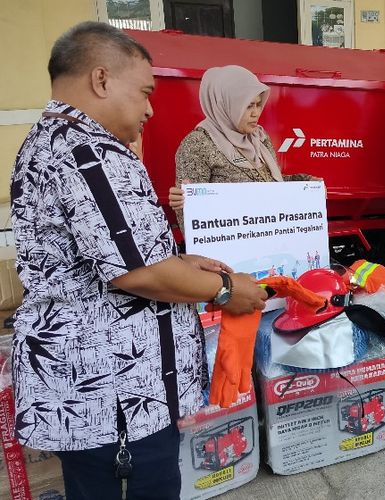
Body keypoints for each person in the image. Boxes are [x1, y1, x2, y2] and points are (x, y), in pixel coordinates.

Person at [10, 22, 268, 499]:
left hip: (101, 400)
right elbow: (138, 272)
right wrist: (228, 292)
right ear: (101, 80)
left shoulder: (55, 140)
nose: (151, 108)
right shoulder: (87, 151)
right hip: (114, 400)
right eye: (146, 92)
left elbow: (112, 255)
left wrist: (183, 261)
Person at [167, 65, 319, 232]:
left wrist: (306, 183)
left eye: (258, 104)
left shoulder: (258, 138)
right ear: (224, 104)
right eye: (248, 106)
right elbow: (191, 221)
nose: (256, 113)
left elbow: (271, 185)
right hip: (228, 252)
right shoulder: (197, 145)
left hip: (269, 241)